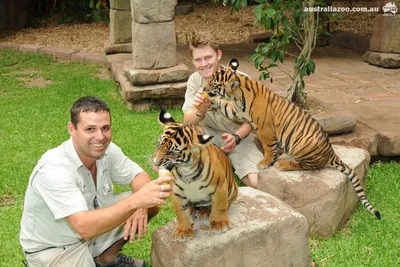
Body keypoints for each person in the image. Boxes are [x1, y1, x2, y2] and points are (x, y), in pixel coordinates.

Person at [19, 96, 172, 267]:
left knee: (149, 202)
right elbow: (84, 226)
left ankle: (106, 258)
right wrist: (136, 201)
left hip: (90, 234)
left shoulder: (106, 151)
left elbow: (138, 176)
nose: (100, 137)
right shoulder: (54, 169)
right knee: (137, 198)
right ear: (72, 128)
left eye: (105, 128)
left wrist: (142, 205)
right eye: (90, 129)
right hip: (56, 248)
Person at [182, 32, 264, 189]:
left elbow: (253, 118)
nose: (204, 64)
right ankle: (214, 161)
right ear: (193, 61)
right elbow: (188, 120)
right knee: (190, 133)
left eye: (208, 57)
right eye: (198, 60)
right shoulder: (194, 80)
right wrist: (200, 110)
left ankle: (229, 159)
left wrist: (236, 137)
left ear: (218, 55)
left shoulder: (239, 79)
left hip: (238, 138)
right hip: (209, 136)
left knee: (257, 183)